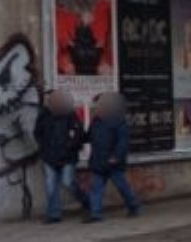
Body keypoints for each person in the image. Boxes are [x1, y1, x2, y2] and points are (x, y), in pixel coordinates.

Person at [33, 89, 87, 223]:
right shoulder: (43, 115)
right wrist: (44, 148)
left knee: (68, 182)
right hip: (49, 156)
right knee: (50, 186)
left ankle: (87, 201)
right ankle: (54, 214)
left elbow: (78, 133)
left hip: (67, 156)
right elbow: (37, 133)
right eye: (51, 100)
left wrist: (69, 146)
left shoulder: (70, 115)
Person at [84, 92, 139, 222]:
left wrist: (116, 156)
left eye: (99, 107)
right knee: (96, 189)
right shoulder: (96, 122)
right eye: (96, 107)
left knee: (122, 187)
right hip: (98, 161)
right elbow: (89, 137)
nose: (96, 109)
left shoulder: (119, 122)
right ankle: (95, 214)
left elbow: (123, 142)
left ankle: (133, 206)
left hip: (113, 162)